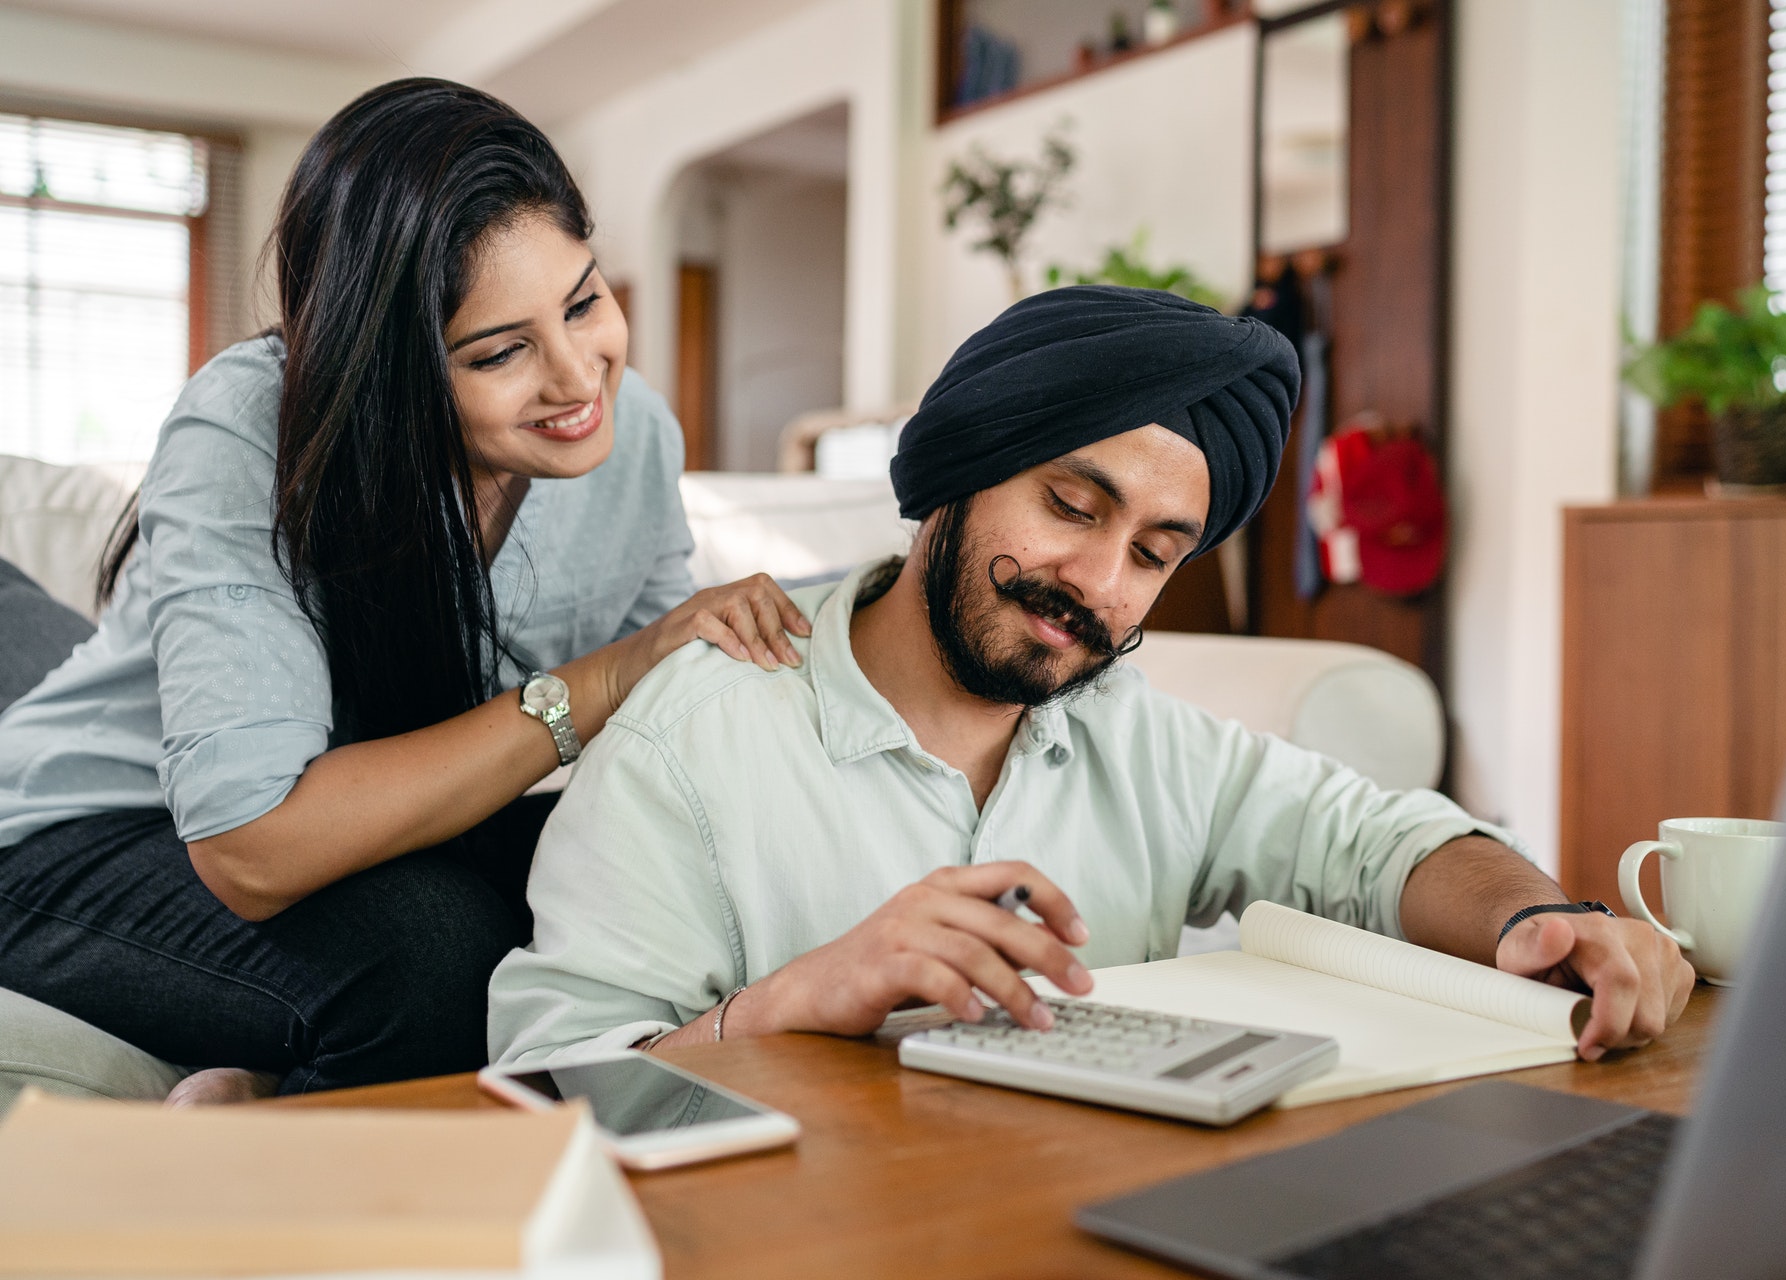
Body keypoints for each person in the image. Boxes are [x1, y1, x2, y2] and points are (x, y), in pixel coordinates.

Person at [488, 286, 1694, 1067]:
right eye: (1072, 503)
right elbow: (551, 1085)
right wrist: (801, 994)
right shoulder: (694, 734)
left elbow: (1379, 842)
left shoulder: (1135, 730)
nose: (1100, 581)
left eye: (1156, 553)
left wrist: (1544, 917)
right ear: (960, 471)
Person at [0, 79, 806, 1100]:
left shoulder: (633, 431)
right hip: (94, 828)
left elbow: (665, 736)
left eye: (584, 300)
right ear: (391, 368)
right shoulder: (250, 425)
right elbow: (254, 847)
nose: (578, 378)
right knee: (433, 951)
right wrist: (600, 680)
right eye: (500, 351)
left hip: (373, 821)